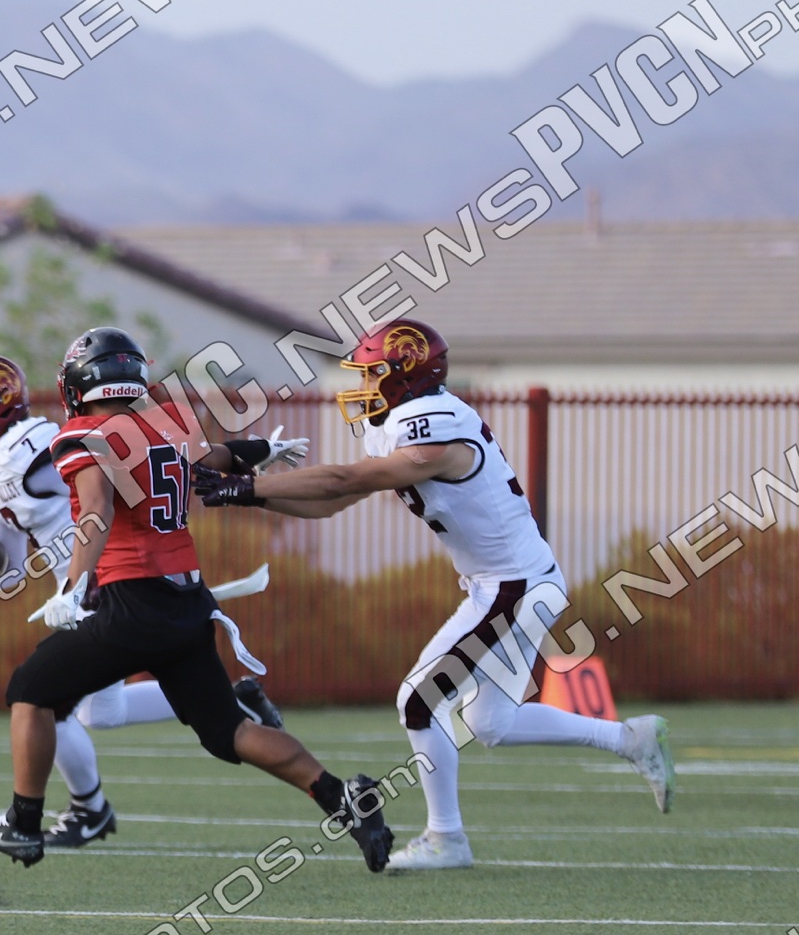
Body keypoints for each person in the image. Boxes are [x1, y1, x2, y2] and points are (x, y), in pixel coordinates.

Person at [192, 319, 675, 871]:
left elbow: (344, 482)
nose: (362, 386)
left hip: (514, 585)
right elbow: (332, 503)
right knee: (491, 723)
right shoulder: (401, 424)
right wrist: (249, 497)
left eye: (373, 373)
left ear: (407, 375)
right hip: (510, 583)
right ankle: (630, 739)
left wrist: (248, 483)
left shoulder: (434, 423)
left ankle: (447, 838)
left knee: (418, 700)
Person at [0, 328, 393, 870]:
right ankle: (343, 798)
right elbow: (216, 457)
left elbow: (97, 511)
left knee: (30, 690)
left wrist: (73, 586)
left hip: (131, 601)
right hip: (187, 599)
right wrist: (264, 449)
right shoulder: (168, 420)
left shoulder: (79, 435)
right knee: (229, 731)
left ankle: (23, 825)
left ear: (77, 385)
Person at [0, 351, 290, 849]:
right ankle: (231, 703)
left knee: (45, 700)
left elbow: (114, 481)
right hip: (79, 589)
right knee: (100, 712)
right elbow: (10, 564)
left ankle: (85, 810)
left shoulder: (33, 448)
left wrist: (234, 455)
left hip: (105, 582)